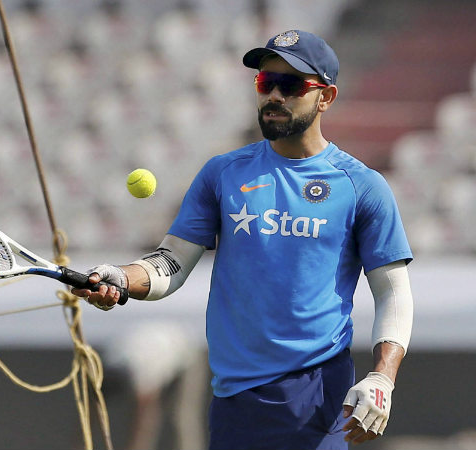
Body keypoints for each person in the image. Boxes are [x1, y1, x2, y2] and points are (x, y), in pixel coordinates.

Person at [72, 29, 414, 450]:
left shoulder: (362, 185)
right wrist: (123, 278)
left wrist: (383, 377)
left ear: (325, 97)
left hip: (318, 395)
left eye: (290, 85)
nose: (274, 95)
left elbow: (393, 291)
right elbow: (171, 263)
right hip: (235, 401)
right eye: (265, 82)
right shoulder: (222, 173)